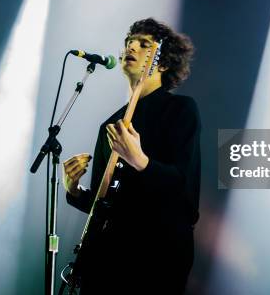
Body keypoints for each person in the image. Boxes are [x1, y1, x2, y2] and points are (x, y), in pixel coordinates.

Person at [63, 18, 201, 294]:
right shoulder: (111, 125)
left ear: (161, 63)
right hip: (106, 258)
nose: (132, 47)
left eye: (143, 44)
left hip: (155, 259)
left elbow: (186, 195)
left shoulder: (179, 110)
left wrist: (142, 162)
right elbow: (106, 203)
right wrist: (75, 189)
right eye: (129, 42)